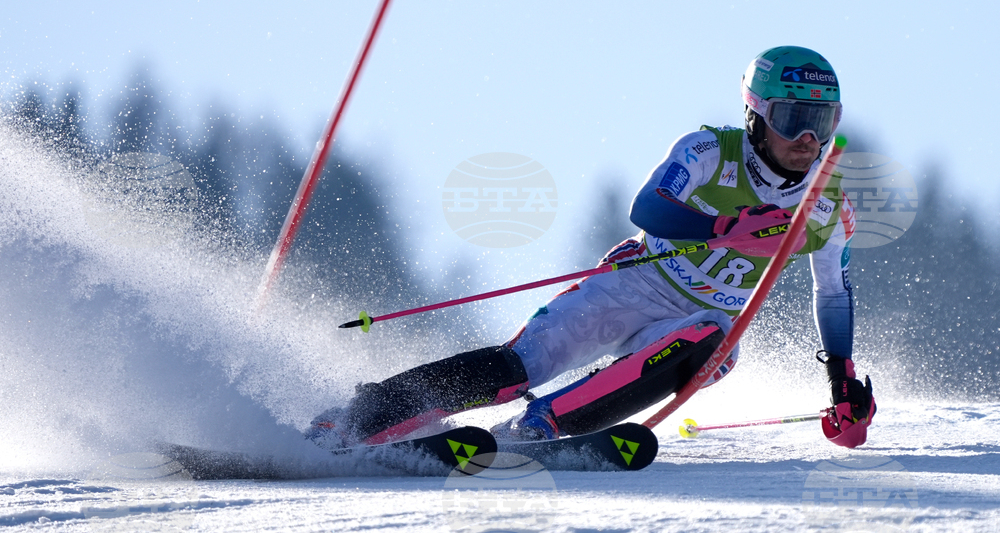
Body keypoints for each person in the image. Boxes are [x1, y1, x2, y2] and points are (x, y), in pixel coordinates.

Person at [308, 45, 876, 450]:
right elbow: (646, 209)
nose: (808, 139)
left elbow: (832, 294)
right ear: (756, 114)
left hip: (703, 319)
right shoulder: (708, 150)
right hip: (635, 285)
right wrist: (723, 229)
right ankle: (359, 417)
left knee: (711, 345)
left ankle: (534, 433)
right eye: (794, 119)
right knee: (520, 366)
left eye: (821, 122)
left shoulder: (827, 207)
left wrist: (842, 384)